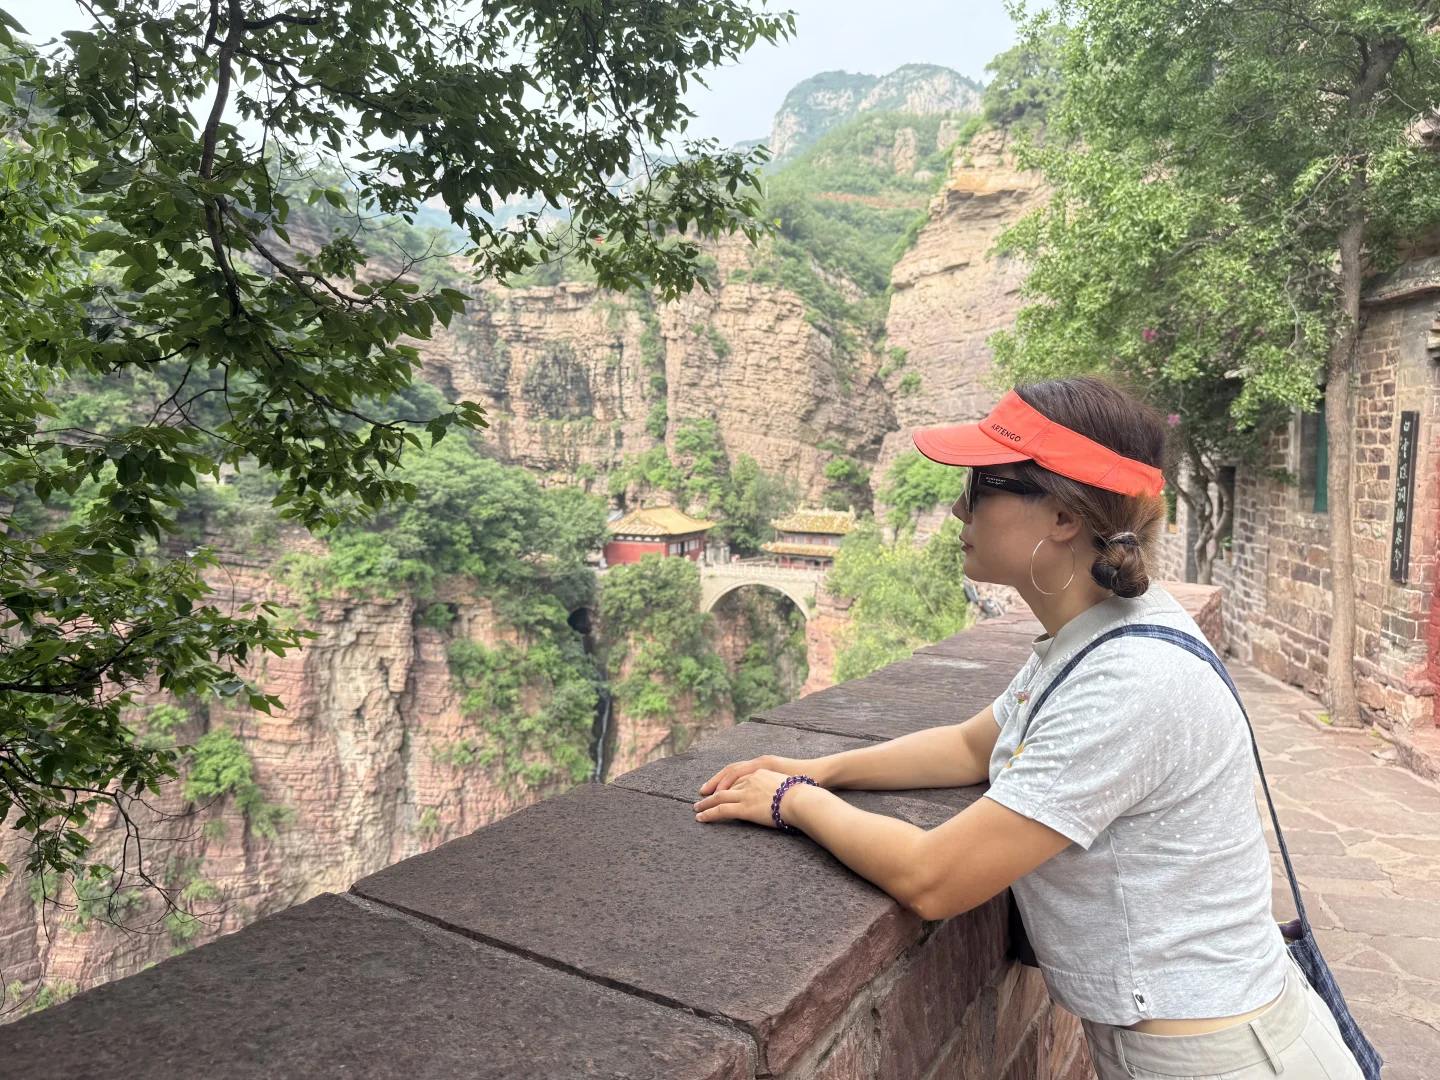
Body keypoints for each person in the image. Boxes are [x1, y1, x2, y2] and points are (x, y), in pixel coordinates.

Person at [692, 378, 1363, 1080]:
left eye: (981, 485)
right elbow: (970, 746)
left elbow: (936, 877)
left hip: (1223, 1062)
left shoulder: (1129, 681)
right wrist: (822, 766)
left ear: (1064, 517)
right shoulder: (1097, 634)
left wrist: (792, 801)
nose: (958, 507)